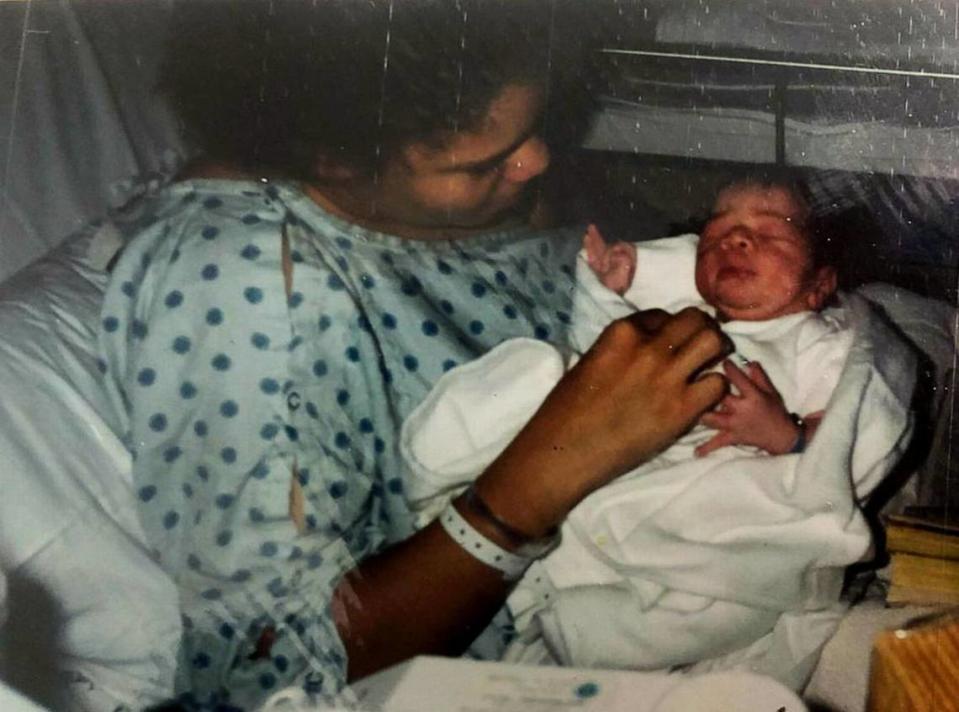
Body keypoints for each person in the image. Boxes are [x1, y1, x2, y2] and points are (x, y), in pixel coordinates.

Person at [96, 2, 728, 709]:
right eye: (484, 160)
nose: (536, 159)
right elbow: (263, 671)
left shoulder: (418, 179)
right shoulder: (237, 287)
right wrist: (553, 467)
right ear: (328, 158)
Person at [401, 177, 912, 684]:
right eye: (716, 234)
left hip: (721, 513)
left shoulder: (815, 341)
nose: (735, 241)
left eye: (772, 234)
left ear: (820, 285)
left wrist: (784, 431)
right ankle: (460, 484)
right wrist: (611, 290)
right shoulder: (681, 314)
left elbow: (846, 433)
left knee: (713, 607)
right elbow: (605, 360)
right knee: (544, 381)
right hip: (622, 471)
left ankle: (590, 639)